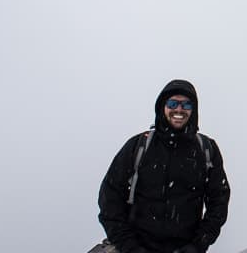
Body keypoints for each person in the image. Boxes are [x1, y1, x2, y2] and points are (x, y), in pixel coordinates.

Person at [98, 79, 230, 253]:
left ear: (194, 110)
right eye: (173, 103)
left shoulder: (207, 149)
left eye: (186, 105)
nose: (179, 109)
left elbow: (219, 201)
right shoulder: (138, 146)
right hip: (135, 246)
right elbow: (110, 198)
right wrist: (129, 246)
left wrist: (198, 245)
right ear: (162, 106)